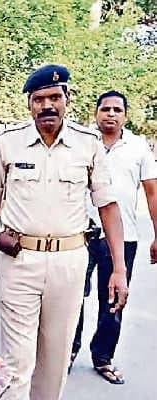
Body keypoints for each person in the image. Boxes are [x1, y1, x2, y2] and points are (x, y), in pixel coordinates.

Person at [0, 65, 129, 400]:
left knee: (54, 362)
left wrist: (119, 269)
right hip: (18, 263)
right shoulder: (7, 143)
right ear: (29, 104)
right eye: (39, 99)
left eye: (54, 98)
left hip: (69, 264)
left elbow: (108, 206)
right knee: (17, 363)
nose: (47, 105)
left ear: (67, 99)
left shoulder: (88, 144)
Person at [69, 90, 157, 384]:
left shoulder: (138, 147)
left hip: (122, 238)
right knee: (72, 298)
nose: (110, 114)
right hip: (79, 235)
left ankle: (103, 357)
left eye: (117, 110)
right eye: (105, 109)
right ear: (96, 113)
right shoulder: (81, 141)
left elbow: (152, 192)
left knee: (113, 301)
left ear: (125, 116)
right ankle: (67, 352)